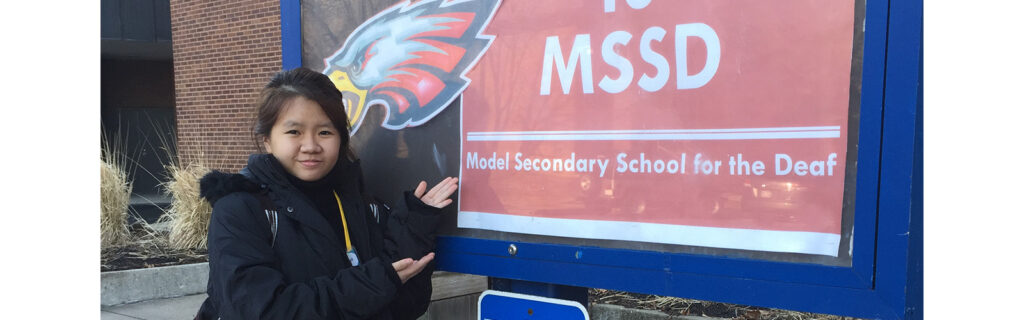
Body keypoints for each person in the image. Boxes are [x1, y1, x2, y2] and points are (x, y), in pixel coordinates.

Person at [194, 67, 458, 319]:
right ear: (267, 140)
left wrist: (413, 226)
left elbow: (405, 306)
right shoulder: (241, 209)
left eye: (324, 132)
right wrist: (375, 281)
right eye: (294, 132)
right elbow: (265, 311)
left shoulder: (363, 205)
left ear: (341, 139)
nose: (310, 146)